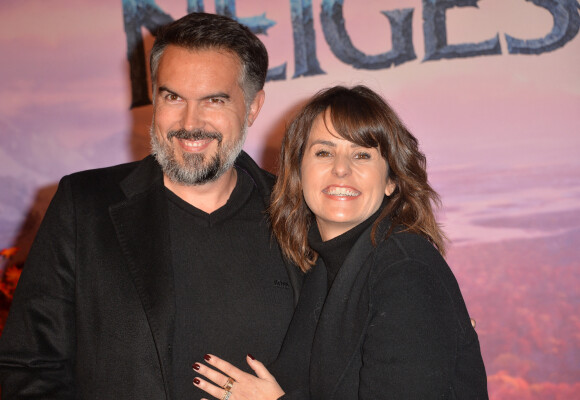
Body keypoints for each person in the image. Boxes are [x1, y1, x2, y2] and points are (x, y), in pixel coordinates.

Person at [0, 12, 302, 399]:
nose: (189, 122)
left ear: (253, 107)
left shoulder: (297, 213)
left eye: (214, 100)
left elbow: (339, 368)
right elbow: (30, 364)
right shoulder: (84, 205)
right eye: (173, 96)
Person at [191, 85, 488, 399]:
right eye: (324, 152)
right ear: (298, 172)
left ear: (390, 180)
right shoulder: (324, 269)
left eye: (362, 155)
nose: (341, 169)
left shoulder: (403, 268)